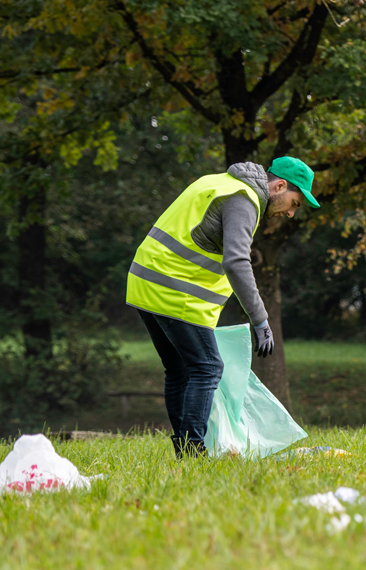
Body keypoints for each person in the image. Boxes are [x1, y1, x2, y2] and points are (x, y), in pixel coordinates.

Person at [125, 156, 319, 457]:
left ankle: (185, 452)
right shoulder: (245, 199)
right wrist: (260, 320)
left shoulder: (218, 182)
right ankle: (193, 452)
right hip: (174, 291)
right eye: (294, 203)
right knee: (207, 367)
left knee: (178, 370)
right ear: (280, 186)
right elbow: (236, 261)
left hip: (145, 281)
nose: (291, 213)